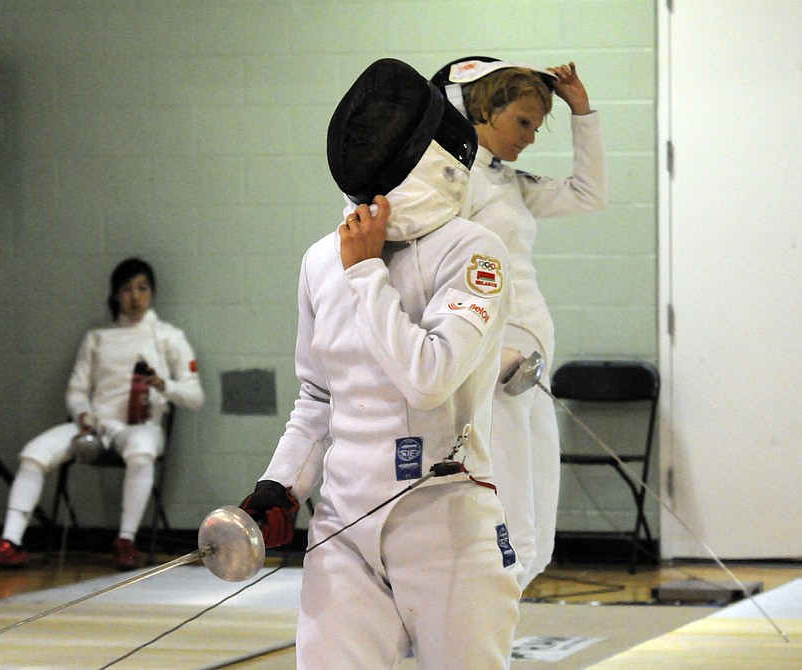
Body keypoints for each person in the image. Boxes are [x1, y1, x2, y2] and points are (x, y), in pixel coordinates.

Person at [237, 58, 521, 669]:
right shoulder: (321, 259)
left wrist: (365, 273)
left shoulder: (473, 251)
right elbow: (318, 396)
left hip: (447, 525)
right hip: (342, 525)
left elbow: (430, 378)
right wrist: (282, 483)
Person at [430, 57, 607, 588]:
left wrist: (583, 113)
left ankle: (495, 633)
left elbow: (587, 194)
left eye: (536, 125)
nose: (530, 137)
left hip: (530, 365)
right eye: (523, 122)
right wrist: (488, 353)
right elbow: (436, 276)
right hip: (495, 360)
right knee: (509, 512)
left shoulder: (504, 179)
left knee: (537, 514)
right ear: (483, 108)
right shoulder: (451, 180)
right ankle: (474, 634)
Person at [0, 257, 204, 571]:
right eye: (126, 289)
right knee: (32, 455)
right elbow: (76, 391)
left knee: (141, 450)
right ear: (115, 295)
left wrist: (165, 386)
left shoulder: (168, 337)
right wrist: (82, 414)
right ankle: (10, 542)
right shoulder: (97, 338)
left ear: (153, 292)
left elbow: (195, 397)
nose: (135, 297)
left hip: (140, 428)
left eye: (142, 288)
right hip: (94, 427)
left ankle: (126, 541)